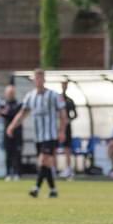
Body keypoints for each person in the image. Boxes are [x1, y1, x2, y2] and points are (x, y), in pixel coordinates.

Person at [6, 69, 68, 198]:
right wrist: (12, 126)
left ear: (44, 80)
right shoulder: (30, 96)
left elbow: (63, 115)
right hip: (38, 136)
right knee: (47, 164)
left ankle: (36, 188)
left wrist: (62, 131)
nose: (38, 81)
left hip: (50, 135)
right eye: (36, 78)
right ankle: (53, 190)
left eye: (41, 78)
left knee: (43, 160)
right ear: (34, 80)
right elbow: (22, 113)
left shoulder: (53, 95)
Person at [0, 85, 23, 180]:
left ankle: (17, 173)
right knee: (8, 153)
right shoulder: (3, 104)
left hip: (17, 132)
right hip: (7, 132)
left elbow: (15, 114)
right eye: (9, 93)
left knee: (17, 153)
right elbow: (2, 113)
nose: (10, 94)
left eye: (12, 93)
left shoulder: (18, 104)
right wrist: (8, 113)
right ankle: (8, 173)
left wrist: (8, 112)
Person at [58, 79, 78, 179]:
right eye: (62, 85)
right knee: (53, 147)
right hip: (58, 126)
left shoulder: (70, 101)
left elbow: (75, 114)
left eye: (65, 85)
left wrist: (68, 120)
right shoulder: (58, 99)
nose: (64, 87)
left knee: (67, 148)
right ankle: (52, 168)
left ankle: (68, 169)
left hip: (67, 127)